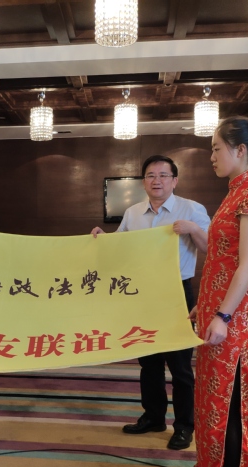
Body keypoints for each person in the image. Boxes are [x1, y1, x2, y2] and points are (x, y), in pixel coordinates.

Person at [186, 116, 248, 467]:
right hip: (217, 315)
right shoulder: (235, 191)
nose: (211, 157)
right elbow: (220, 259)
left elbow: (247, 265)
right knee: (210, 402)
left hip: (234, 320)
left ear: (240, 151)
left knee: (230, 404)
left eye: (216, 149)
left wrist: (222, 313)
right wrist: (203, 306)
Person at [91, 155, 210, 450]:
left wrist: (194, 230)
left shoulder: (192, 209)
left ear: (174, 180)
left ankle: (184, 426)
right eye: (150, 176)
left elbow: (213, 248)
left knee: (180, 365)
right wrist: (101, 238)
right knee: (149, 361)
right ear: (143, 182)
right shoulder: (132, 213)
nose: (157, 181)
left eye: (163, 175)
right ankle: (154, 417)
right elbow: (119, 247)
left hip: (176, 292)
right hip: (142, 293)